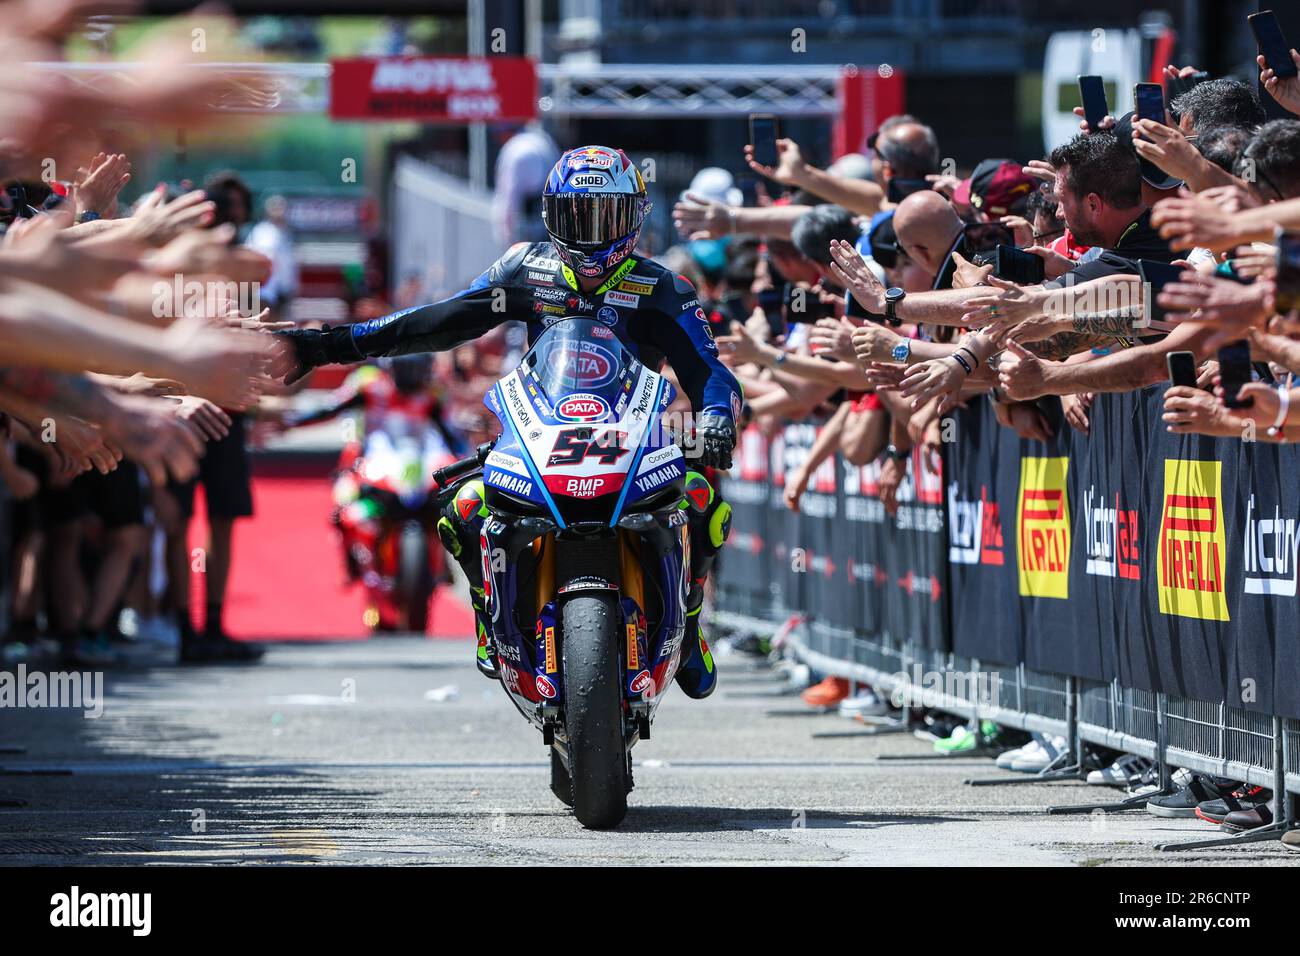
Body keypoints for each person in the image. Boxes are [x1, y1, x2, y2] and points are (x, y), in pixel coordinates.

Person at [278, 145, 742, 700]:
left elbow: (708, 369)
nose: (592, 233)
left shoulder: (663, 288)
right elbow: (435, 323)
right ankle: (486, 619)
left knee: (702, 502)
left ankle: (688, 628)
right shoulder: (526, 269)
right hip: (542, 433)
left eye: (607, 216)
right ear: (551, 215)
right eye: (578, 216)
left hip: (634, 439)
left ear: (635, 218)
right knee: (461, 507)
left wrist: (715, 417)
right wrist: (323, 346)